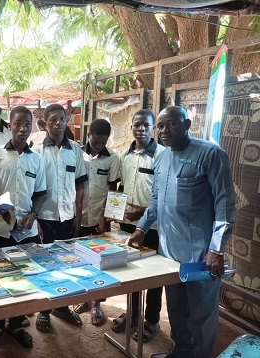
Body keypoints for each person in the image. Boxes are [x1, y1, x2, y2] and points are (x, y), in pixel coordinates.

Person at [128, 106, 236, 358]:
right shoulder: (162, 157)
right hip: (169, 254)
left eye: (171, 124)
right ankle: (181, 351)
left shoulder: (211, 154)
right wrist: (141, 228)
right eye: (161, 126)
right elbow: (156, 200)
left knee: (201, 314)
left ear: (186, 125)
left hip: (200, 256)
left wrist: (216, 249)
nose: (164, 130)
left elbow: (225, 205)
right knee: (176, 310)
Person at [0, 106, 46, 349]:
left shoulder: (36, 158)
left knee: (23, 278)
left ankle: (17, 324)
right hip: (1, 228)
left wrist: (33, 214)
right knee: (0, 277)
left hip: (27, 230)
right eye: (17, 124)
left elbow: (40, 193)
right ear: (9, 125)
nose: (22, 128)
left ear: (32, 126)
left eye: (27, 124)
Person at [32, 103, 88, 333]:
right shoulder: (35, 151)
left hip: (68, 217)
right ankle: (44, 311)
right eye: (53, 119)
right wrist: (35, 219)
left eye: (62, 119)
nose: (58, 123)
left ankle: (62, 307)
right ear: (44, 123)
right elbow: (32, 189)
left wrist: (78, 216)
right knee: (45, 266)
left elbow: (80, 184)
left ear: (67, 121)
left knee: (66, 264)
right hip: (44, 217)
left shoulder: (74, 150)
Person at [111, 109, 165, 342]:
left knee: (153, 274)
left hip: (153, 227)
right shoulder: (125, 155)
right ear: (131, 128)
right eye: (136, 125)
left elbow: (164, 195)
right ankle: (132, 314)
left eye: (146, 125)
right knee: (131, 271)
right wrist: (117, 211)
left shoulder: (163, 155)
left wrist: (142, 212)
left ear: (153, 128)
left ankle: (151, 320)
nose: (141, 129)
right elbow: (120, 189)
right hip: (129, 226)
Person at [74, 118, 120, 327]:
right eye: (95, 141)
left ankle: (96, 305)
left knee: (99, 263)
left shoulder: (112, 159)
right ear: (88, 135)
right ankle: (83, 298)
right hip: (77, 217)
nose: (99, 146)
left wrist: (105, 215)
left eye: (103, 142)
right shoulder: (76, 153)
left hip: (99, 219)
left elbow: (113, 190)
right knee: (79, 262)